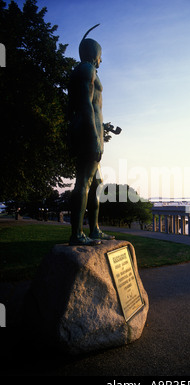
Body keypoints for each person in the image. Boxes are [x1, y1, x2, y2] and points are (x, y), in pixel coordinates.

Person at [68, 25, 114, 246]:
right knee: (84, 183)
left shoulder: (85, 71)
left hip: (93, 133)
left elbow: (92, 107)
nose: (101, 61)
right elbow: (85, 106)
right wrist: (95, 136)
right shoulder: (86, 70)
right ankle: (77, 234)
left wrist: (106, 128)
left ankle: (94, 229)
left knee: (96, 184)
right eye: (100, 55)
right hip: (89, 136)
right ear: (93, 53)